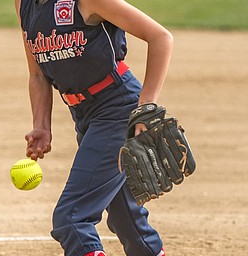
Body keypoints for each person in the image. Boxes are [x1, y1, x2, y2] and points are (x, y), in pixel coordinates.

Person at [14, 0, 173, 254]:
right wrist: (41, 125)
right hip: (85, 115)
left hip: (118, 108)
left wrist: (145, 108)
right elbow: (37, 74)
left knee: (71, 218)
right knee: (126, 218)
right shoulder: (24, 4)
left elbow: (161, 37)